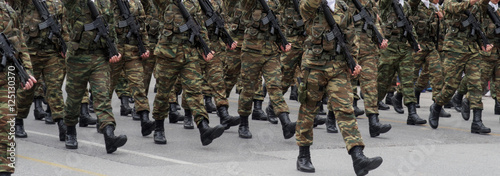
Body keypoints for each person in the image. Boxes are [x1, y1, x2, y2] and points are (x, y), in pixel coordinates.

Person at [296, 0, 383, 174]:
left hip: (338, 67)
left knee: (345, 110)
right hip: (314, 67)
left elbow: (351, 38)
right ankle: (303, 155)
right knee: (308, 110)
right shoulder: (310, 4)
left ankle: (358, 156)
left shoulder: (343, 7)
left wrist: (354, 62)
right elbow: (306, 8)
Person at [152, 0, 226, 146]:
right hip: (168, 54)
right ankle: (159, 127)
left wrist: (206, 48)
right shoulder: (165, 3)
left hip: (189, 54)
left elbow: (199, 26)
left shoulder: (194, 3)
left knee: (194, 91)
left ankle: (204, 128)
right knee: (163, 93)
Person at [63, 0, 127, 153]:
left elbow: (110, 27)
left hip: (99, 57)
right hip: (78, 57)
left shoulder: (105, 2)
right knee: (74, 98)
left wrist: (114, 49)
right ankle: (70, 130)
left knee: (102, 97)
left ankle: (109, 135)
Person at [428, 0, 493, 134]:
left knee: (476, 85)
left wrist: (483, 43)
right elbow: (452, 7)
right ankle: (437, 106)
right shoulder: (452, 2)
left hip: (472, 50)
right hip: (454, 49)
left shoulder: (477, 5)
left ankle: (477, 122)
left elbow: (478, 25)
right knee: (451, 86)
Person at [237, 0, 296, 139]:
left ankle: (286, 123)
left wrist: (282, 40)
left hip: (271, 52)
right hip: (252, 51)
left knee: (275, 86)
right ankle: (243, 124)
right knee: (248, 88)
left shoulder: (276, 2)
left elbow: (280, 24)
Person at [345, 0, 392, 137]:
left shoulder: (371, 2)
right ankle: (331, 116)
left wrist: (380, 38)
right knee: (343, 85)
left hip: (368, 50)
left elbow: (375, 20)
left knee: (371, 85)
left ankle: (374, 122)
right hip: (350, 49)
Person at [1, 0, 37, 175]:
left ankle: (5, 170)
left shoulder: (9, 12)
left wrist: (27, 71)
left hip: (6, 78)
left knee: (7, 128)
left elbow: (21, 45)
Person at [379, 0, 427, 126]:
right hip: (389, 48)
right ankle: (372, 107)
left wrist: (415, 42)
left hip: (404, 48)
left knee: (408, 81)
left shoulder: (405, 5)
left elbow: (409, 25)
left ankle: (412, 113)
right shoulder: (387, 3)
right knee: (382, 83)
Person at [111, 0, 155, 137]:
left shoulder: (137, 3)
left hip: (133, 52)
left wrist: (145, 47)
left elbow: (142, 28)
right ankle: (104, 122)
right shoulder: (108, 3)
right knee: (105, 89)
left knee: (139, 86)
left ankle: (145, 119)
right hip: (114, 51)